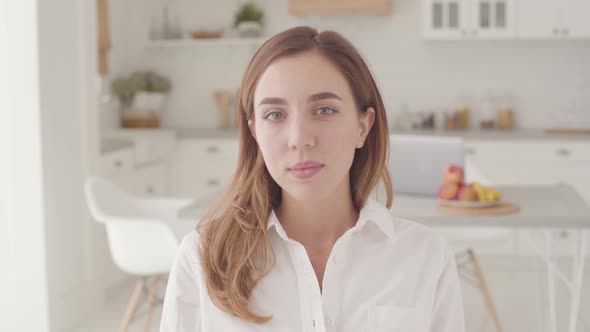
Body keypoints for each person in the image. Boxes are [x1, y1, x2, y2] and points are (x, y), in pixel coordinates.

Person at [160, 26, 465, 332]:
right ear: (255, 133)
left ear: (363, 126)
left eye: (323, 110)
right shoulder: (202, 259)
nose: (299, 139)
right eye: (275, 115)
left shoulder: (426, 257)